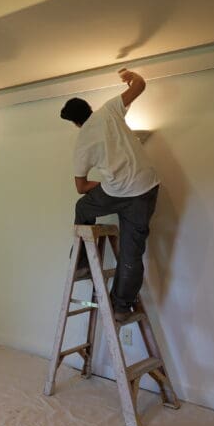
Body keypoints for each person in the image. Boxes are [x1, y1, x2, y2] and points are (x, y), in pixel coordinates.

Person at [60, 69, 159, 323]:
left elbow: (81, 187)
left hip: (120, 191)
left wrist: (102, 184)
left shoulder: (83, 141)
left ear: (74, 122)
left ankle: (81, 262)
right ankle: (122, 307)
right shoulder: (109, 110)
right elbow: (140, 84)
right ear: (89, 108)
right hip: (148, 187)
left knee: (83, 208)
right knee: (131, 252)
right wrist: (130, 75)